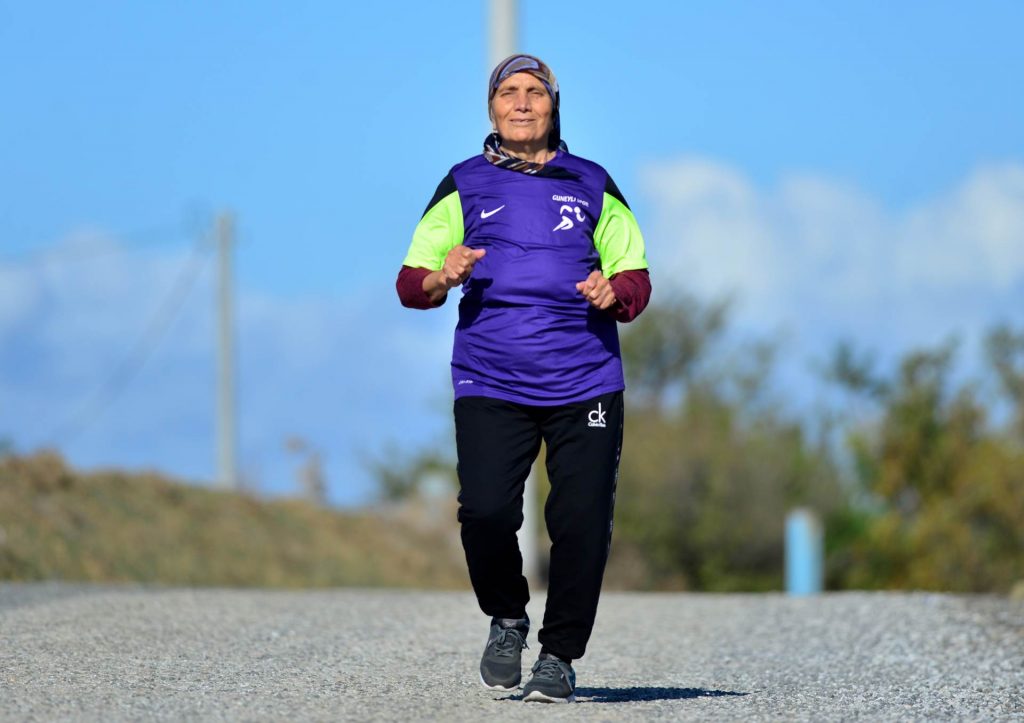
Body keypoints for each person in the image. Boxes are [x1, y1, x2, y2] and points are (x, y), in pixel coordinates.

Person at [396, 54, 651, 704]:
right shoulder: (463, 183)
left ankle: (559, 656)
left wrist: (613, 291)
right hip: (490, 377)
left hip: (585, 379)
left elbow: (636, 275)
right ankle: (507, 618)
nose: (522, 102)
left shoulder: (592, 182)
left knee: (581, 520)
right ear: (491, 107)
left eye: (535, 92)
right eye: (508, 91)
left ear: (553, 106)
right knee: (484, 511)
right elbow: (411, 282)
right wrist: (443, 275)